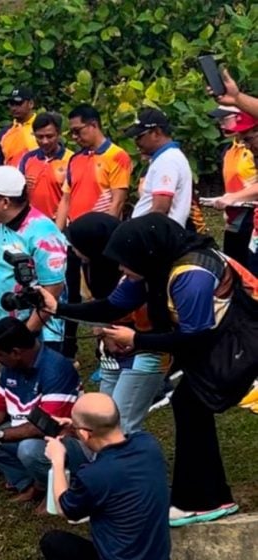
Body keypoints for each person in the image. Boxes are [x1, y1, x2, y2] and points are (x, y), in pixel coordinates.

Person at [87, 214, 256, 525]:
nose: (121, 270)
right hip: (221, 344)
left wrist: (136, 339)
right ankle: (211, 498)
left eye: (125, 263)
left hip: (242, 342)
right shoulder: (157, 269)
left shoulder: (191, 275)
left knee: (192, 405)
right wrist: (55, 309)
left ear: (146, 253)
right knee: (191, 405)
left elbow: (194, 339)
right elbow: (110, 306)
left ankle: (203, 501)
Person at [42, 392, 173, 560]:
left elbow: (65, 508)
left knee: (54, 543)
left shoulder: (94, 476)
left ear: (85, 433)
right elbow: (108, 450)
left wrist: (57, 462)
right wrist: (77, 430)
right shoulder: (148, 445)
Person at [41, 213, 166, 435]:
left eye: (77, 245)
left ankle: (134, 465)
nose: (73, 251)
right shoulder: (92, 267)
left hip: (143, 349)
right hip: (112, 350)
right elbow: (104, 306)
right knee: (102, 418)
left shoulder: (136, 271)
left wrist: (111, 329)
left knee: (121, 425)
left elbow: (132, 313)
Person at [0, 318, 80, 501]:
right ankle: (28, 483)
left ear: (16, 352)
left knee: (28, 449)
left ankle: (54, 490)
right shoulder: (12, 366)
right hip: (31, 430)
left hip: (62, 437)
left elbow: (45, 426)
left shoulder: (56, 369)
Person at [55, 104, 132, 359]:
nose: (74, 137)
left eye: (78, 131)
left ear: (94, 125)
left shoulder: (116, 156)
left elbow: (117, 201)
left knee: (107, 296)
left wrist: (106, 245)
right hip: (76, 240)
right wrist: (58, 236)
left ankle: (115, 349)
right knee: (74, 294)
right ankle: (71, 348)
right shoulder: (75, 159)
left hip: (100, 244)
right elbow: (66, 199)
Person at [0, 166, 68, 351]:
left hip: (39, 330)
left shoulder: (43, 234)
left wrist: (24, 334)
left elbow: (53, 290)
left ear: (5, 202)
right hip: (4, 322)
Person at [126, 108, 192, 227]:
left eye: (139, 137)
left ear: (156, 133)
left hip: (156, 236)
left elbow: (160, 208)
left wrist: (149, 235)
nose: (136, 142)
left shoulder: (167, 160)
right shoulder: (166, 157)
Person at [209, 109, 257, 265]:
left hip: (249, 214)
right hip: (236, 215)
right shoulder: (229, 151)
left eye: (225, 119)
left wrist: (234, 198)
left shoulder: (251, 152)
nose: (222, 125)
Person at [18, 112, 73, 220]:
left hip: (59, 224)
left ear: (59, 134)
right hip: (30, 223)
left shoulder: (71, 160)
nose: (45, 141)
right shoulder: (28, 158)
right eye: (40, 137)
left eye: (49, 136)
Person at [0, 86, 38, 168]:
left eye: (18, 103)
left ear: (31, 104)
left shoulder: (43, 128)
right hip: (11, 179)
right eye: (11, 104)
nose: (14, 108)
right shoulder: (4, 133)